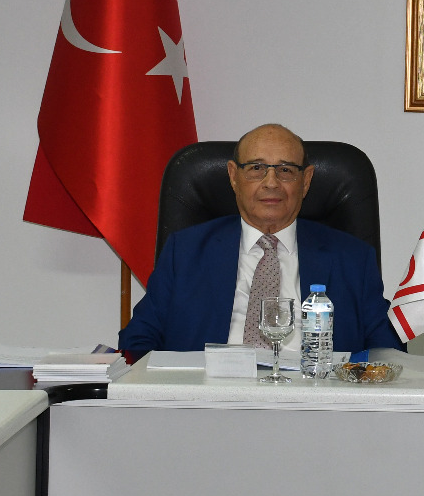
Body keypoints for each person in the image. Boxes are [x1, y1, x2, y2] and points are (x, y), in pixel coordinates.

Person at [118, 124, 402, 355]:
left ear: (306, 181)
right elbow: (137, 341)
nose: (271, 182)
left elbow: (388, 350)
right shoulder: (185, 251)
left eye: (286, 170)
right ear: (233, 176)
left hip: (313, 401)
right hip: (208, 399)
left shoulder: (352, 258)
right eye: (256, 168)